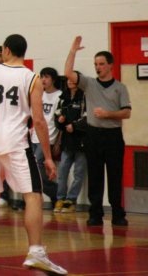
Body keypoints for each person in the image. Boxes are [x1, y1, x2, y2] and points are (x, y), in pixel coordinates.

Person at [0, 34, 66, 274]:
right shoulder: (31, 77)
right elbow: (38, 120)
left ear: (6, 50)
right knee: (33, 196)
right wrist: (47, 157)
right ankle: (36, 251)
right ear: (24, 52)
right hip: (16, 143)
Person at [64, 36, 131, 227]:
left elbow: (126, 113)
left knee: (115, 175)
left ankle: (117, 213)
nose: (98, 67)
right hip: (93, 135)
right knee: (95, 175)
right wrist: (73, 52)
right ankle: (95, 214)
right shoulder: (89, 83)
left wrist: (108, 114)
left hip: (113, 136)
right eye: (95, 64)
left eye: (101, 64)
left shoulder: (120, 88)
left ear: (110, 65)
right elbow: (68, 73)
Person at [54, 77, 87, 213]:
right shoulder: (63, 98)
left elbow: (87, 118)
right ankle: (60, 199)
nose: (70, 82)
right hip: (67, 142)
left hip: (81, 142)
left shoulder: (84, 97)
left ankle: (71, 200)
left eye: (73, 79)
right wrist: (60, 121)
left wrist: (75, 126)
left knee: (78, 173)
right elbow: (57, 116)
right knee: (62, 171)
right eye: (68, 80)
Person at [32, 67, 61, 206]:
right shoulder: (39, 94)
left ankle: (57, 193)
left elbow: (59, 122)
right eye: (42, 76)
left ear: (53, 79)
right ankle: (50, 194)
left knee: (37, 167)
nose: (43, 80)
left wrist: (58, 142)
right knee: (31, 169)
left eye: (47, 77)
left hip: (48, 137)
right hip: (34, 136)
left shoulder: (59, 96)